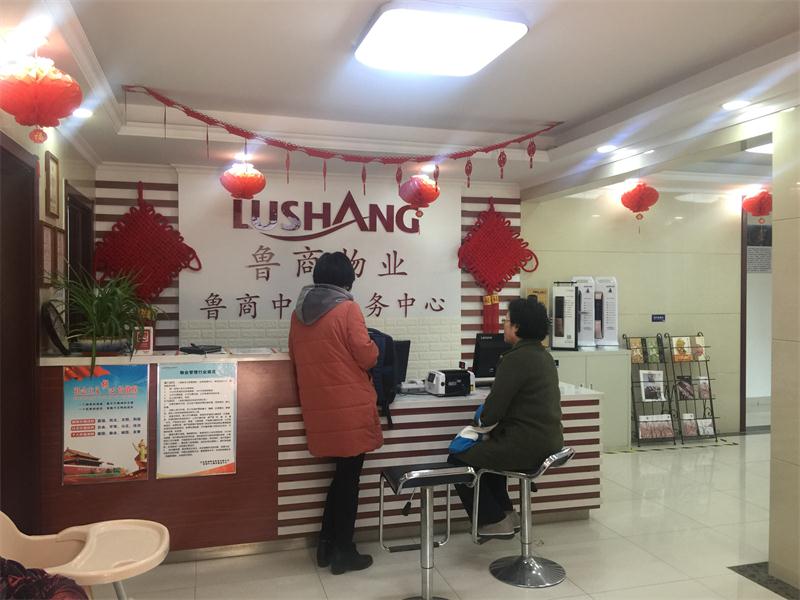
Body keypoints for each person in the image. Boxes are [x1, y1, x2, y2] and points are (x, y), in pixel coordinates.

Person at [288, 251, 382, 574]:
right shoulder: (347, 308)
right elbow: (366, 356)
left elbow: (294, 356)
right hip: (349, 408)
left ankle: (325, 545)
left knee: (341, 478)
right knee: (349, 480)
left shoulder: (299, 314)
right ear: (346, 279)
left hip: (320, 408)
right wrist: (376, 347)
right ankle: (344, 552)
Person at [449, 297, 563, 537]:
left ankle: (493, 521)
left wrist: (477, 424)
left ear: (517, 327)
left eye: (506, 320)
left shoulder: (515, 359)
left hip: (526, 446)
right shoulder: (544, 356)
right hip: (550, 442)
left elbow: (492, 412)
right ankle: (506, 515)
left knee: (458, 460)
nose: (503, 324)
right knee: (488, 456)